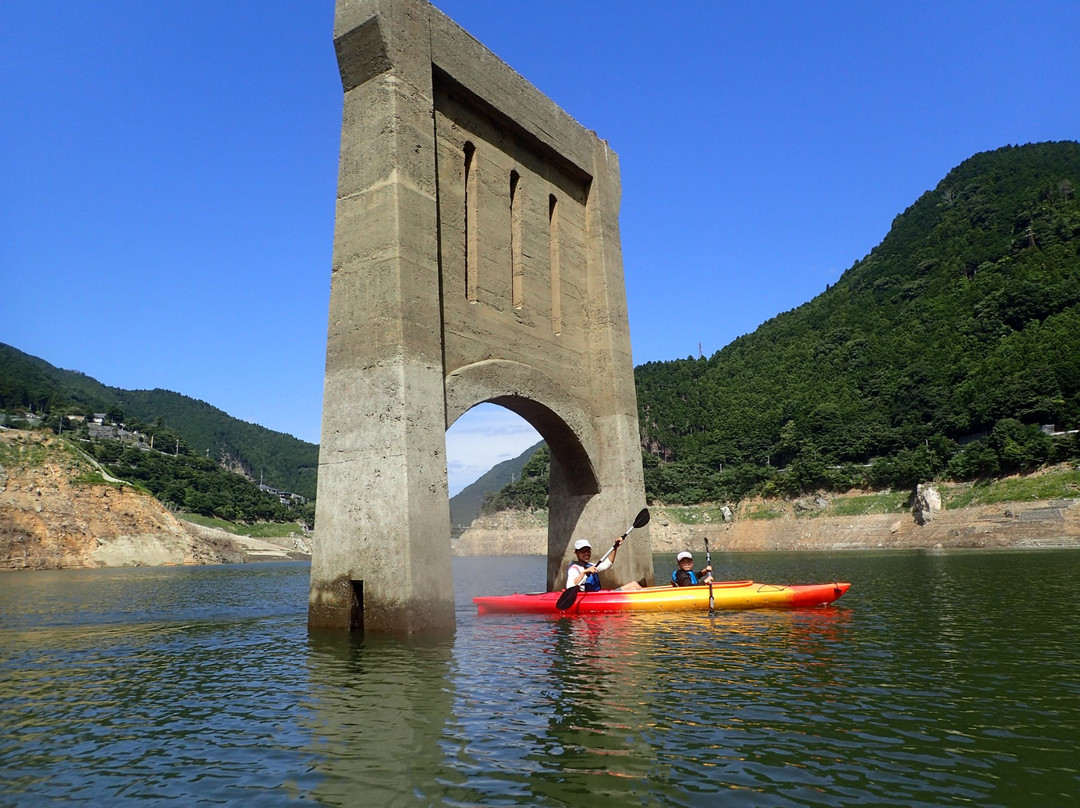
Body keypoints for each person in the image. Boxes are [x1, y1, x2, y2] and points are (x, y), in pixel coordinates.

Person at [566, 538, 643, 591]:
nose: (586, 554)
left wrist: (615, 547)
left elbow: (608, 564)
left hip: (598, 595)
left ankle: (652, 596)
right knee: (632, 589)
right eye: (583, 551)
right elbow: (570, 586)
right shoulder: (574, 569)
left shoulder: (591, 566)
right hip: (588, 598)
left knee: (634, 584)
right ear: (576, 553)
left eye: (588, 551)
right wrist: (584, 572)